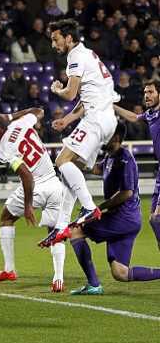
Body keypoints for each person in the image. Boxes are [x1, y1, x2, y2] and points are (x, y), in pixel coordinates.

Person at [39, 18, 119, 248]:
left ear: (69, 38)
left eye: (56, 39)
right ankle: (61, 226)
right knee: (70, 170)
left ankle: (89, 206)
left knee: (61, 160)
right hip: (105, 119)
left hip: (95, 119)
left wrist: (57, 90)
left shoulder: (75, 56)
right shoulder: (89, 55)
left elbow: (71, 94)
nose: (53, 45)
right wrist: (67, 119)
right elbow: (85, 97)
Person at [68, 121, 160, 294]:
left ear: (116, 138)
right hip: (127, 218)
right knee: (121, 273)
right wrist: (72, 159)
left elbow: (127, 193)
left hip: (123, 217)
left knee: (76, 231)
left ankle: (93, 284)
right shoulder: (111, 156)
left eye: (106, 134)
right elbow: (96, 169)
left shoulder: (125, 158)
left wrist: (99, 207)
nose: (102, 137)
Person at [0, 108, 66, 291]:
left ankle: (10, 269)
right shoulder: (21, 123)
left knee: (6, 217)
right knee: (55, 230)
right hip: (54, 182)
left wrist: (28, 205)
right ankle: (58, 279)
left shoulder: (3, 151)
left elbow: (27, 176)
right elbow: (40, 111)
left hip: (36, 185)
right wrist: (10, 117)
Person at [113, 80, 160, 251]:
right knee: (154, 221)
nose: (147, 95)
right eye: (146, 92)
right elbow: (134, 118)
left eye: (151, 92)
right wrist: (112, 106)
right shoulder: (150, 114)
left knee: (158, 217)